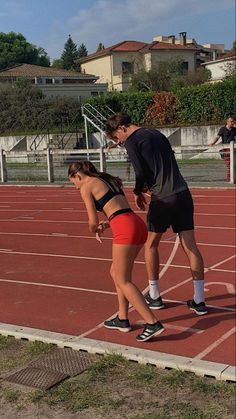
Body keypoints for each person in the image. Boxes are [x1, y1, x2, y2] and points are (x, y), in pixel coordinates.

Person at [105, 112, 207, 316]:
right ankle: (199, 300)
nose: (119, 142)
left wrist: (137, 191)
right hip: (182, 193)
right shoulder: (156, 133)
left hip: (162, 197)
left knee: (151, 244)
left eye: (116, 138)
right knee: (191, 246)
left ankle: (155, 295)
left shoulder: (133, 141)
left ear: (122, 128)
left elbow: (141, 171)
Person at [68, 160, 164, 342]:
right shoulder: (107, 180)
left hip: (124, 228)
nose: (75, 186)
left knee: (123, 279)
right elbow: (117, 210)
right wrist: (107, 224)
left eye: (73, 182)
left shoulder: (86, 186)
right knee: (116, 272)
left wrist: (94, 229)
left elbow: (92, 221)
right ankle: (122, 318)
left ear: (77, 176)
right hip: (134, 223)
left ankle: (152, 323)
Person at [210, 116, 236, 182]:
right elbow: (217, 137)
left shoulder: (234, 129)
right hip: (226, 150)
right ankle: (230, 179)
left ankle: (233, 178)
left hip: (233, 149)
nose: (233, 123)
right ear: (227, 122)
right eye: (231, 121)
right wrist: (213, 143)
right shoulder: (223, 129)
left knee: (233, 164)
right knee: (229, 164)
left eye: (233, 121)